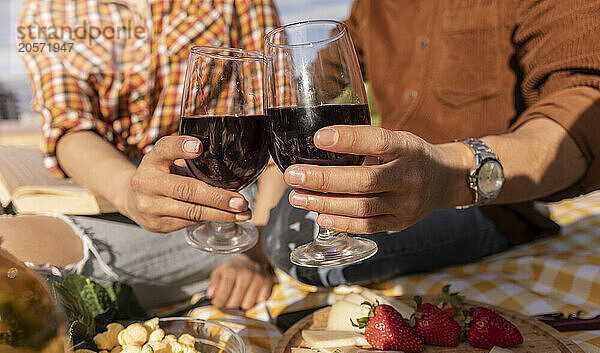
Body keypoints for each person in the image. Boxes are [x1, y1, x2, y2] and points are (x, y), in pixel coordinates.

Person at [261, 0, 600, 287]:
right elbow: (308, 87)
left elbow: (584, 111)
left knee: (291, 235)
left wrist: (449, 176)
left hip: (496, 206)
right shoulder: (374, 7)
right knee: (286, 227)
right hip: (397, 187)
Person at [2, 0, 286, 309]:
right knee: (10, 246)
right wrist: (131, 193)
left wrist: (253, 252)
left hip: (238, 204)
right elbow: (70, 128)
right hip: (113, 196)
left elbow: (276, 128)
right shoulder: (48, 10)